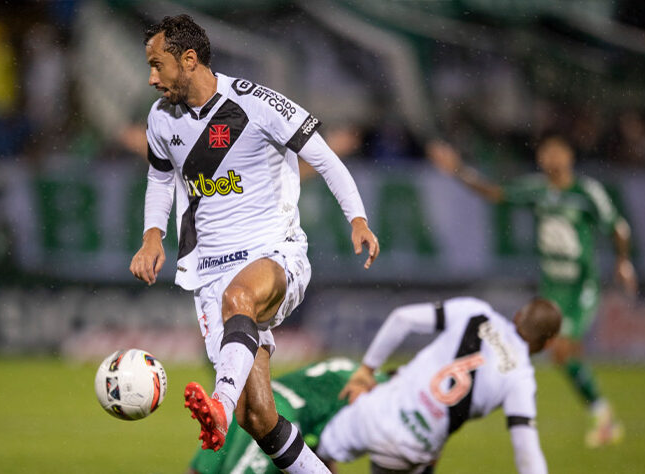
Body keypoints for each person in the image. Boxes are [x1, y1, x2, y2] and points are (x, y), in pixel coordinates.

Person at [130, 14, 379, 473]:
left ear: (188, 60)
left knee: (239, 299)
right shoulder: (161, 118)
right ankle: (238, 412)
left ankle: (219, 406)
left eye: (157, 65)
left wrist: (358, 220)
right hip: (208, 273)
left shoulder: (254, 103)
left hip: (274, 253)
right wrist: (152, 237)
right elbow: (159, 179)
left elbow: (325, 159)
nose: (151, 78)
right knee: (260, 417)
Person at [427, 135, 636, 447]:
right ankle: (597, 414)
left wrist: (623, 262)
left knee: (563, 348)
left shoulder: (585, 192)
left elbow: (619, 228)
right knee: (558, 354)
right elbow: (495, 194)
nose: (551, 157)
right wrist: (458, 169)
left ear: (569, 157)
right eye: (545, 152)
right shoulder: (537, 190)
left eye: (557, 151)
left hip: (580, 285)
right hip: (551, 286)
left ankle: (601, 416)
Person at [316, 297, 561, 473]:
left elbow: (402, 318)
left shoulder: (475, 311)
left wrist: (366, 370)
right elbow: (526, 448)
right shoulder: (521, 378)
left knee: (306, 460)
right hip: (408, 449)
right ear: (548, 343)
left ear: (518, 316)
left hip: (372, 412)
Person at [190, 358, 389, 474]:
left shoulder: (353, 368)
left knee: (202, 470)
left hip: (253, 397)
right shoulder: (376, 393)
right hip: (279, 415)